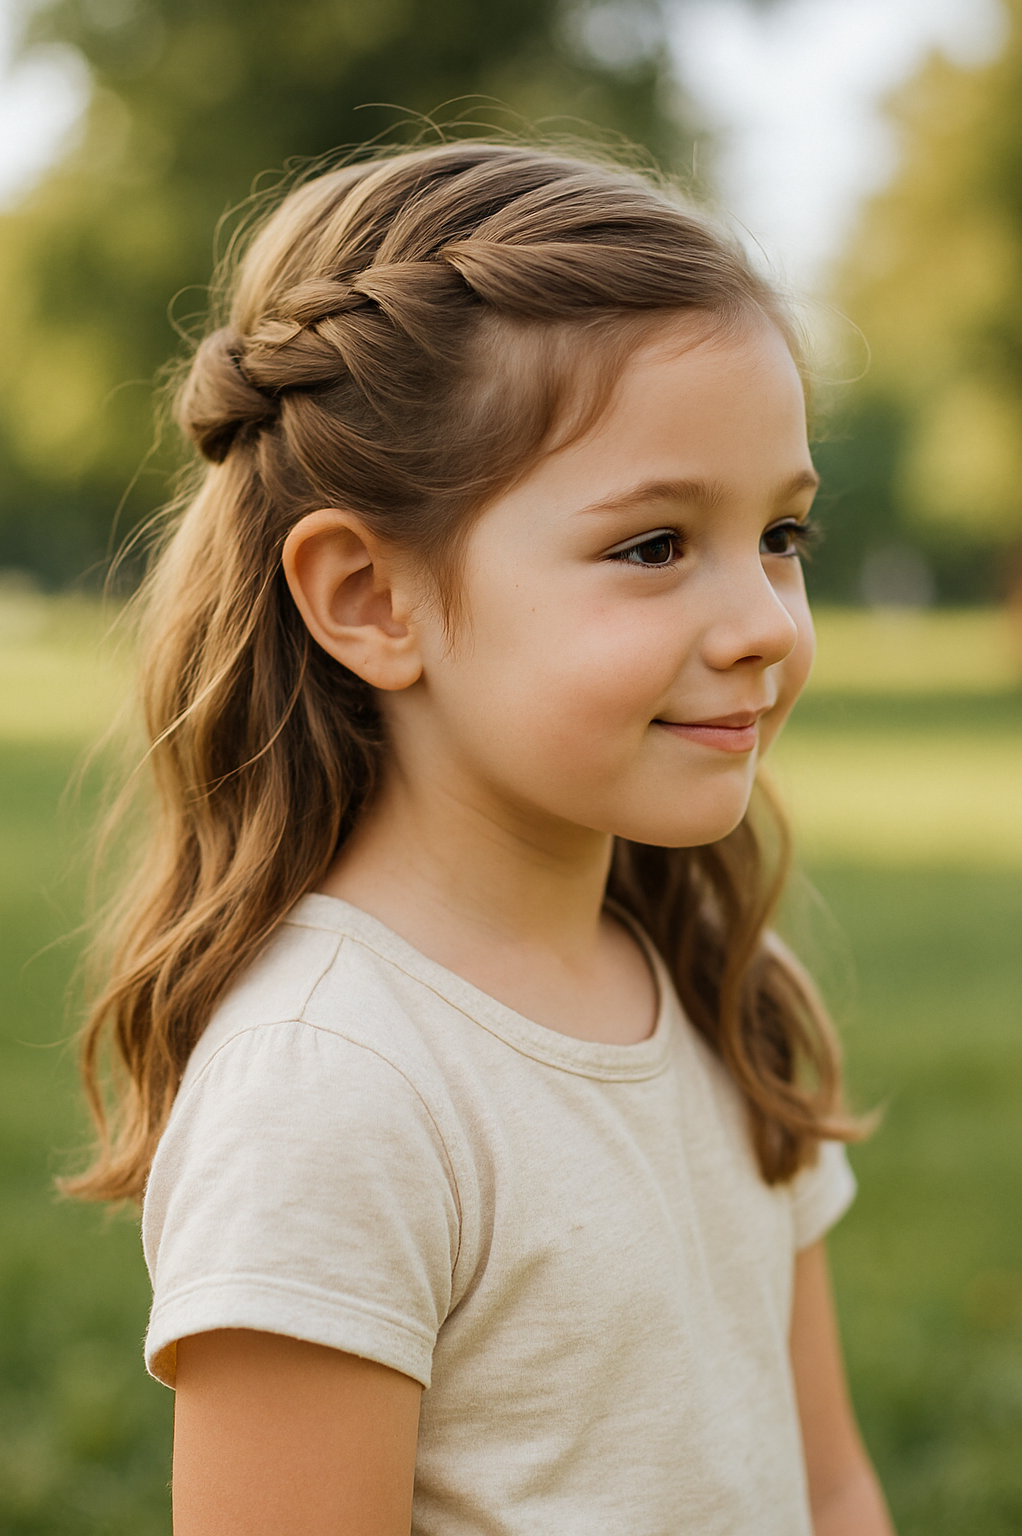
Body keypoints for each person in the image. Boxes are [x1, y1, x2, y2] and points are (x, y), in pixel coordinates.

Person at [70, 141, 895, 1535]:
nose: (765, 622)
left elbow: (831, 1484)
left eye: (784, 536)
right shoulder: (328, 1095)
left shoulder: (716, 980)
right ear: (371, 598)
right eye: (653, 547)